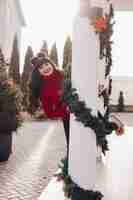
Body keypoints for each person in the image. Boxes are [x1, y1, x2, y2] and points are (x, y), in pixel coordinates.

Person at [29, 53, 70, 156]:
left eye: (46, 64)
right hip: (68, 119)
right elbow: (50, 113)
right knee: (73, 144)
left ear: (51, 63)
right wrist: (64, 111)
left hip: (83, 108)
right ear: (38, 72)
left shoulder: (63, 74)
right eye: (41, 68)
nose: (45, 68)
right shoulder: (44, 90)